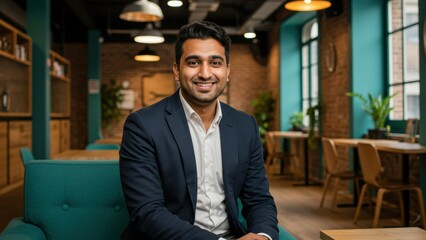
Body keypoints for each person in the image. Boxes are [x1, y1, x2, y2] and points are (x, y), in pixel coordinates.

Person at [119, 20, 278, 240]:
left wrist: (262, 235)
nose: (205, 73)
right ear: (176, 70)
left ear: (227, 71)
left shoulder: (245, 125)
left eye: (215, 63)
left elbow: (259, 199)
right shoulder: (143, 125)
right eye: (193, 62)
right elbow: (147, 212)